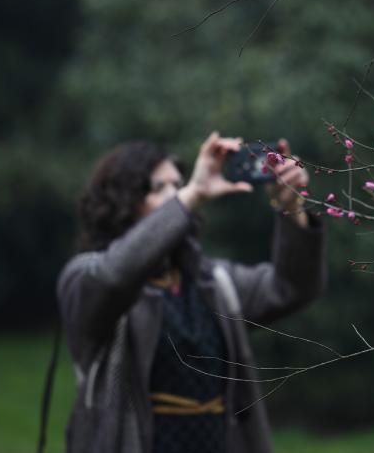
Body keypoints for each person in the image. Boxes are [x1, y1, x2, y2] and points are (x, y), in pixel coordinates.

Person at [58, 132, 326, 453]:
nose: (177, 195)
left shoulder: (212, 282)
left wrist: (291, 206)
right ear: (121, 203)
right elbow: (115, 276)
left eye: (179, 185)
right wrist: (194, 193)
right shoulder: (85, 278)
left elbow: (291, 287)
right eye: (160, 187)